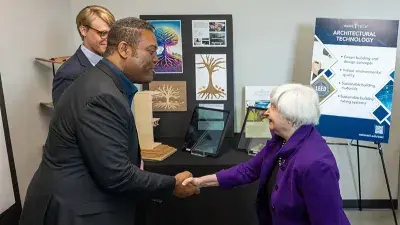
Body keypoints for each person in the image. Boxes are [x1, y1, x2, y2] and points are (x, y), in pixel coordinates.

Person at [19, 17, 199, 225]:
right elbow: (117, 174)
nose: (156, 58)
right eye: (150, 51)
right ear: (124, 49)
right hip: (74, 211)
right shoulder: (102, 96)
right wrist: (172, 184)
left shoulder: (105, 84)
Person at [183, 83, 351, 225]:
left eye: (273, 108)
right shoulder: (280, 141)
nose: (265, 112)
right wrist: (200, 182)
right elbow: (247, 171)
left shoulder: (316, 164)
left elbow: (328, 221)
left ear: (291, 117)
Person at [52, 5, 115, 105]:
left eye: (111, 33)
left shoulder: (110, 64)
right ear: (84, 30)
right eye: (102, 33)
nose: (108, 38)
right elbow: (64, 118)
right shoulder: (68, 74)